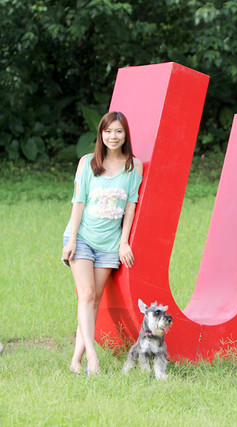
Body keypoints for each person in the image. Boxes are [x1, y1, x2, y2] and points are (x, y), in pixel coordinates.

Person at [61, 111, 143, 375]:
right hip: (82, 238)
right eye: (108, 131)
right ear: (101, 134)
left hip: (109, 245)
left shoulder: (134, 166)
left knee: (93, 300)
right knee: (86, 295)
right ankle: (92, 360)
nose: (113, 136)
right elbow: (78, 202)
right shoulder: (87, 162)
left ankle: (75, 360)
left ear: (125, 134)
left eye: (118, 131)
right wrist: (71, 239)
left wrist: (123, 243)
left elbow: (130, 208)